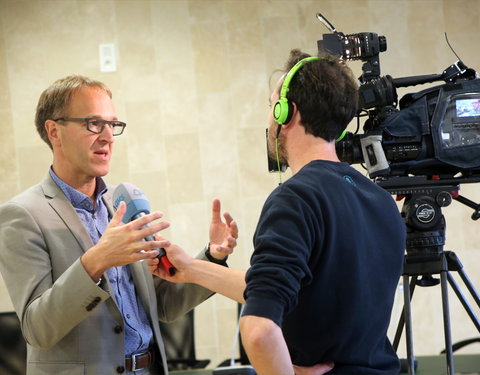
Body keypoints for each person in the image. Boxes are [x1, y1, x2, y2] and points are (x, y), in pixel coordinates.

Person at [149, 50, 406, 375]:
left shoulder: (296, 198)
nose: (270, 118)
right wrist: (191, 268)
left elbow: (258, 331)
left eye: (272, 106)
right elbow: (286, 291)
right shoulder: (380, 200)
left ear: (287, 112)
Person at [0, 75, 238, 375]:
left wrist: (212, 257)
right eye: (94, 124)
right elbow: (37, 329)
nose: (108, 136)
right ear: (54, 131)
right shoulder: (21, 215)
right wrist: (96, 261)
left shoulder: (123, 203)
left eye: (113, 125)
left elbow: (163, 304)